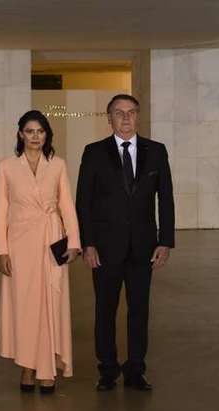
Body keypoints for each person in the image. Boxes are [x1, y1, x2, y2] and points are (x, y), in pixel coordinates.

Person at [76, 94, 175, 392]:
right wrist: (88, 243)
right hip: (105, 248)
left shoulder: (156, 151)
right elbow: (84, 202)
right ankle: (107, 369)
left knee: (139, 310)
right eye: (119, 113)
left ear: (138, 116)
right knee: (105, 309)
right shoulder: (93, 152)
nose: (126, 118)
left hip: (144, 246)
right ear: (109, 118)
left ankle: (135, 370)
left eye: (131, 112)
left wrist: (165, 241)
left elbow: (166, 198)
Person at [0, 110, 81, 394]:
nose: (35, 136)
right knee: (25, 304)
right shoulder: (6, 166)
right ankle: (28, 366)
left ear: (47, 135)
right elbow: (1, 209)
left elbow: (67, 204)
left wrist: (74, 242)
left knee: (50, 301)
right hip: (19, 243)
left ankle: (47, 368)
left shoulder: (57, 165)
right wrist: (1, 251)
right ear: (20, 134)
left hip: (51, 238)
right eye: (29, 131)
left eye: (40, 131)